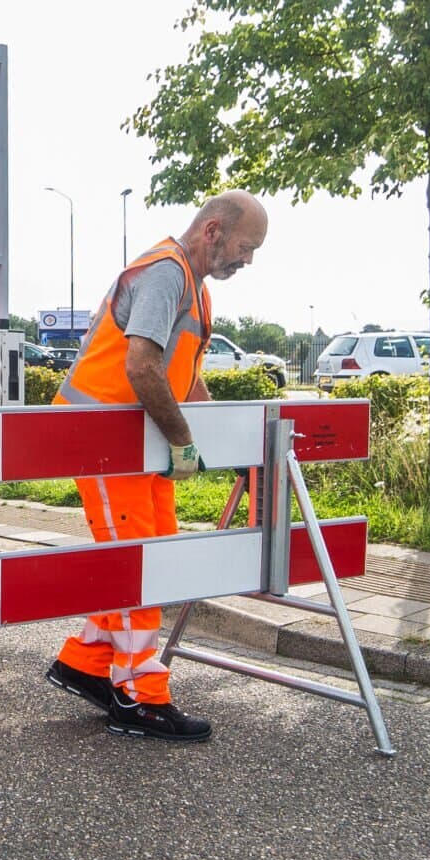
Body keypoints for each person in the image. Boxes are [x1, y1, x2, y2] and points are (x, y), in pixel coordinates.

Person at [44, 191, 268, 741]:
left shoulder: (195, 287)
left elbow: (184, 377)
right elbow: (141, 366)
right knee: (138, 564)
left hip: (135, 445)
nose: (248, 260)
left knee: (156, 557)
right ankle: (139, 697)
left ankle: (87, 664)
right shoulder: (168, 274)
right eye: (246, 246)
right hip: (101, 439)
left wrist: (224, 439)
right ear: (213, 231)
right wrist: (185, 441)